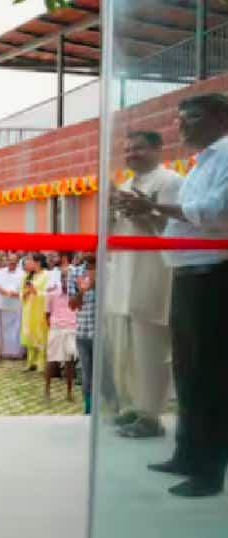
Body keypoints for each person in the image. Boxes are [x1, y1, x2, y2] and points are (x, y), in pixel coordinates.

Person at [123, 93, 228, 497]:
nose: (181, 128)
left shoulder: (225, 157)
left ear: (220, 117)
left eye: (192, 119)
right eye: (179, 120)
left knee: (210, 376)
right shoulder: (201, 163)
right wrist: (147, 214)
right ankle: (187, 453)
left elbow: (216, 212)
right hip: (186, 274)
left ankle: (209, 471)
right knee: (187, 372)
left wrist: (162, 210)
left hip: (214, 278)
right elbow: (181, 227)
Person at [104, 131, 180, 439]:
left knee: (151, 348)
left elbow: (177, 231)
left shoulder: (171, 182)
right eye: (127, 150)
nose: (131, 154)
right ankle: (134, 407)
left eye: (139, 149)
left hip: (154, 273)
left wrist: (147, 211)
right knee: (127, 348)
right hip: (124, 273)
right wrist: (110, 210)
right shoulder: (125, 185)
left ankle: (152, 416)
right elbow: (116, 233)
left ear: (158, 149)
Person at [45, 262, 78, 401]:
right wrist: (54, 326)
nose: (66, 280)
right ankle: (47, 391)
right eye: (64, 277)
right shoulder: (51, 293)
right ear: (60, 278)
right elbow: (46, 313)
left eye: (68, 278)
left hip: (71, 329)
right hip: (56, 328)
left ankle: (69, 393)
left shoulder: (76, 294)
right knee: (52, 360)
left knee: (70, 361)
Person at [68, 255, 96, 414]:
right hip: (84, 333)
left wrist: (98, 283)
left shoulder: (110, 268)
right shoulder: (76, 272)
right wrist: (82, 291)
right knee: (87, 375)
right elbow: (72, 305)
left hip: (107, 333)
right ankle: (89, 410)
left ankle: (110, 410)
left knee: (109, 375)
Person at [0, 253, 25, 360]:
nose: (12, 262)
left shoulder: (23, 274)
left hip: (16, 304)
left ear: (17, 261)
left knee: (15, 329)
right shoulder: (0, 272)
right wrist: (2, 291)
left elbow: (25, 289)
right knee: (1, 329)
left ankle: (15, 352)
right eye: (10, 260)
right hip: (2, 303)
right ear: (7, 261)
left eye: (14, 261)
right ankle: (1, 351)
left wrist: (16, 294)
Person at [21, 254, 50, 373]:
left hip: (41, 308)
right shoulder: (27, 275)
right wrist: (26, 293)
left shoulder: (47, 275)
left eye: (30, 261)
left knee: (41, 334)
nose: (28, 264)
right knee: (29, 334)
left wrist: (36, 291)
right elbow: (21, 291)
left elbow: (49, 292)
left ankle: (41, 363)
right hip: (29, 308)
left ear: (38, 263)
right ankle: (30, 362)